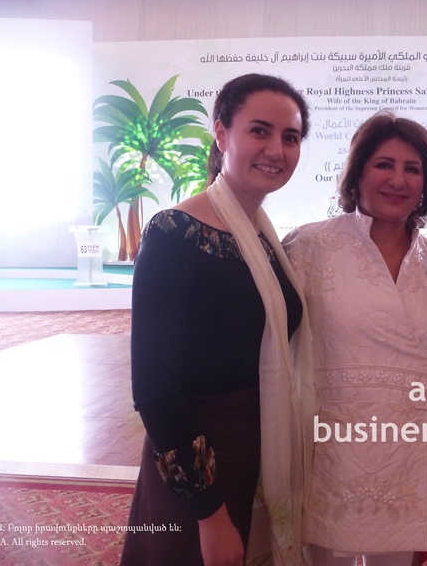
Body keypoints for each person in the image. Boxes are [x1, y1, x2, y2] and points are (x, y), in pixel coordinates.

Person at [121, 73, 314, 566]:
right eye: (259, 130)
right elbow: (155, 393)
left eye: (290, 137)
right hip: (199, 466)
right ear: (222, 134)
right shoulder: (175, 233)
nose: (276, 149)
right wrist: (209, 514)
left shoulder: (265, 240)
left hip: (260, 447)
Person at [284, 111, 427, 566]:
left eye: (412, 169)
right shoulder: (308, 247)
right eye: (384, 164)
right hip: (329, 451)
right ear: (357, 173)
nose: (398, 179)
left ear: (425, 184)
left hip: (410, 453)